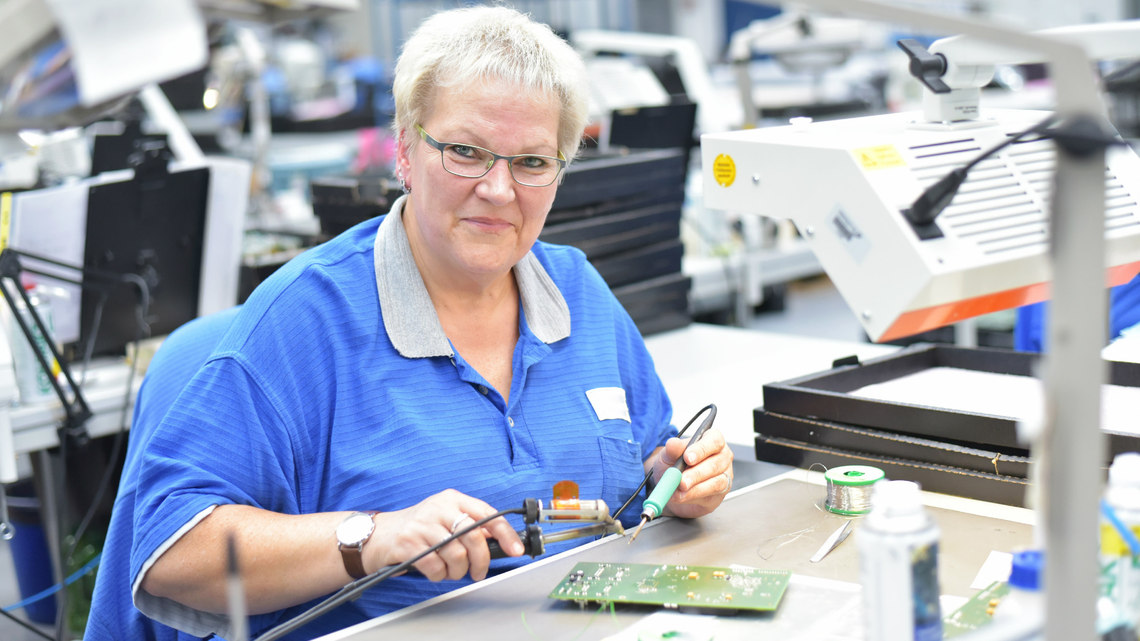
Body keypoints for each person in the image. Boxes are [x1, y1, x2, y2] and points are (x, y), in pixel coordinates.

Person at [111, 6, 733, 639]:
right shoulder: (306, 320)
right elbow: (170, 555)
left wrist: (675, 478)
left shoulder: (576, 290)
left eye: (532, 162)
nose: (498, 189)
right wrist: (372, 536)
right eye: (466, 152)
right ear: (405, 150)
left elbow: (651, 459)